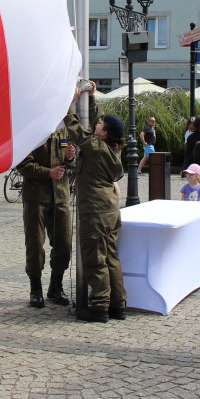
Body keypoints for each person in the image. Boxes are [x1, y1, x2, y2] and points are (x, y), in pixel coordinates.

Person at [64, 83, 126, 323]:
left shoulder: (97, 148)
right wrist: (90, 96)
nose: (95, 124)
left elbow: (76, 130)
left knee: (95, 260)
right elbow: (100, 119)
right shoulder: (111, 148)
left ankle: (99, 307)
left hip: (96, 213)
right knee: (111, 257)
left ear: (103, 133)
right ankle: (118, 305)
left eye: (99, 126)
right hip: (109, 211)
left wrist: (70, 104)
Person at [17, 125, 75, 308]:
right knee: (35, 244)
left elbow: (71, 164)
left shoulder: (64, 130)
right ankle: (35, 289)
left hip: (61, 196)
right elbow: (22, 164)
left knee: (64, 244)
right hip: (37, 197)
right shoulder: (32, 129)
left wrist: (70, 158)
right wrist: (48, 173)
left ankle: (55, 287)